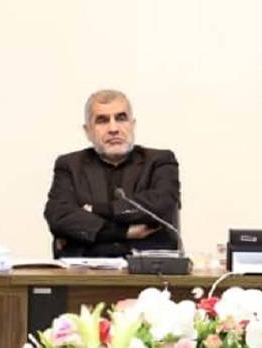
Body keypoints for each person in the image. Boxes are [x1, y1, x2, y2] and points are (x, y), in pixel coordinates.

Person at [44, 89, 180, 258]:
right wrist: (124, 232)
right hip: (83, 269)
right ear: (88, 131)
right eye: (102, 121)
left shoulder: (160, 161)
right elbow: (58, 216)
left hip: (146, 269)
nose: (113, 128)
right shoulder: (69, 165)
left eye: (121, 118)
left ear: (133, 124)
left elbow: (161, 204)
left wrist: (97, 210)